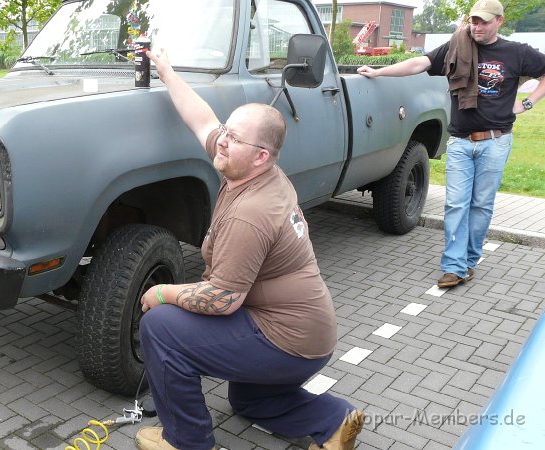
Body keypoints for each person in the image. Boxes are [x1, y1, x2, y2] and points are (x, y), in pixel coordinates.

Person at [134, 48, 364, 450]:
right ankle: (333, 420)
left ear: (260, 155)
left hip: (286, 339)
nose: (222, 141)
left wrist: (161, 293)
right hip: (307, 334)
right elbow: (200, 118)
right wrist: (166, 70)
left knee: (161, 326)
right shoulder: (253, 170)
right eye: (226, 131)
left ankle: (187, 441)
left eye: (233, 138)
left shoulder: (250, 212)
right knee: (247, 399)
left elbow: (222, 299)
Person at [357, 0, 545, 288]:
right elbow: (421, 63)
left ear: (499, 21)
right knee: (456, 204)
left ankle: (470, 260)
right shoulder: (457, 45)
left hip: (495, 142)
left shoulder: (516, 52)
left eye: (483, 21)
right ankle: (454, 266)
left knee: (481, 205)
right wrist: (380, 72)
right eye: (473, 20)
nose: (477, 26)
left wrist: (528, 102)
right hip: (459, 141)